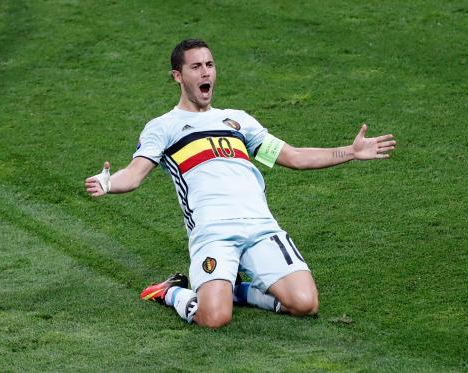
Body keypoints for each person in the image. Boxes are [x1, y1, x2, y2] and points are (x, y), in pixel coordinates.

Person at [85, 39, 395, 328]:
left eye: (210, 64)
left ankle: (235, 290)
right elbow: (135, 174)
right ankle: (170, 292)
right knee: (214, 318)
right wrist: (110, 183)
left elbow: (295, 156)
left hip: (261, 227)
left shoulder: (238, 121)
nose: (206, 72)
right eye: (196, 67)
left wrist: (350, 152)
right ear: (177, 76)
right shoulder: (164, 127)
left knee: (305, 304)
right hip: (213, 233)